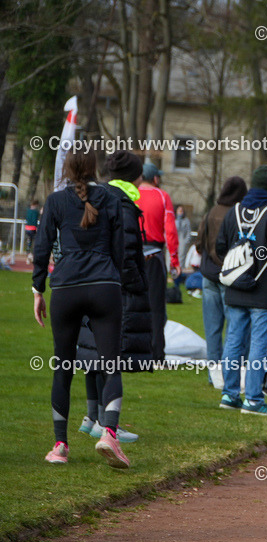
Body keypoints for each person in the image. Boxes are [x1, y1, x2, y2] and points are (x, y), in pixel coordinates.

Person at [32, 150, 130, 468]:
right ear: (94, 169)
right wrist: (113, 280)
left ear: (68, 170)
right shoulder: (111, 197)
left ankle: (60, 446)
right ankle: (109, 434)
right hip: (105, 285)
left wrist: (38, 290)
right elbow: (120, 246)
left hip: (66, 288)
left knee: (63, 367)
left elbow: (42, 245)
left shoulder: (57, 200)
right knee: (111, 364)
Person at [77, 151, 152, 444]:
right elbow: (128, 253)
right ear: (135, 176)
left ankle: (92, 417)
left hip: (89, 283)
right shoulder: (122, 204)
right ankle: (108, 423)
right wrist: (138, 284)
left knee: (93, 351)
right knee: (110, 356)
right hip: (114, 289)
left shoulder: (96, 197)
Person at [215, 165, 267, 416]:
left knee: (232, 342)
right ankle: (252, 399)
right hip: (265, 292)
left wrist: (237, 270)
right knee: (259, 346)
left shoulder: (234, 211)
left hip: (236, 290)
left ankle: (229, 395)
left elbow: (220, 248)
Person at [197, 176, 247, 386]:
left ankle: (213, 376)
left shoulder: (210, 213)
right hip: (230, 277)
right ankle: (230, 375)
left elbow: (199, 243)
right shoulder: (239, 215)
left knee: (212, 330)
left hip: (208, 276)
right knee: (234, 331)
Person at [137, 162, 179, 361]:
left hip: (132, 255)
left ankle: (129, 351)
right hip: (154, 257)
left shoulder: (131, 194)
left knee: (130, 304)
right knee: (156, 307)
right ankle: (156, 354)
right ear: (155, 179)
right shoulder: (163, 196)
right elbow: (170, 231)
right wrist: (175, 260)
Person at [174, 205, 191, 286]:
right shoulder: (173, 220)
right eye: (179, 210)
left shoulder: (186, 220)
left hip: (182, 241)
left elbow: (188, 231)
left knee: (181, 257)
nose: (180, 212)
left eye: (181, 210)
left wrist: (186, 241)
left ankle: (179, 274)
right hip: (174, 240)